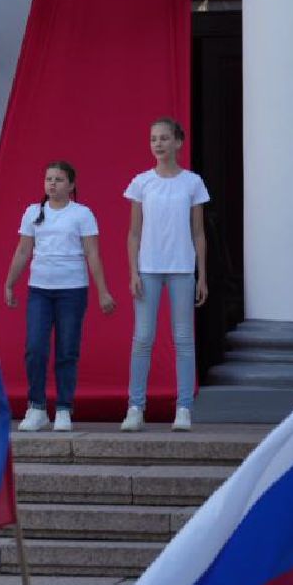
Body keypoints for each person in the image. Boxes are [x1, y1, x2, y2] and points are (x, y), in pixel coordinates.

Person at [3, 161, 115, 432]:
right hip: (40, 289)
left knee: (67, 350)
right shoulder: (33, 212)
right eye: (48, 179)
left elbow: (92, 253)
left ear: (71, 185)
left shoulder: (82, 214)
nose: (52, 184)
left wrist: (103, 291)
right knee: (35, 348)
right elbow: (22, 251)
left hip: (72, 290)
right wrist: (9, 283)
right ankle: (37, 407)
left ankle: (64, 408)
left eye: (59, 179)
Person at [121, 117, 210, 432]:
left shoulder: (192, 183)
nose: (158, 144)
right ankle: (135, 407)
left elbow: (198, 233)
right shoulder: (141, 183)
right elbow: (133, 233)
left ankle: (183, 407)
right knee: (143, 338)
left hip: (182, 268)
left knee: (184, 339)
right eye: (153, 139)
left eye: (164, 138)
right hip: (148, 269)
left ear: (178, 142)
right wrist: (133, 271)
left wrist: (202, 276)